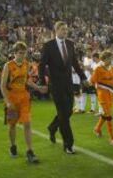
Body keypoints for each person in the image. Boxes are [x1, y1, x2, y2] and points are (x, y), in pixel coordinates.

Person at [39, 21, 88, 154]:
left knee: (68, 112)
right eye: (62, 29)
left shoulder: (70, 44)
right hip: (55, 86)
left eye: (66, 30)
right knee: (63, 115)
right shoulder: (48, 45)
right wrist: (42, 82)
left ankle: (52, 127)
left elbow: (75, 64)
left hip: (68, 84)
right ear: (56, 30)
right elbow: (41, 66)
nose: (65, 32)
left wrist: (83, 78)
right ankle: (68, 144)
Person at [1, 41, 46, 163]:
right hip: (12, 99)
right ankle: (12, 145)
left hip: (24, 98)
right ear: (15, 53)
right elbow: (2, 86)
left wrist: (38, 88)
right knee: (12, 125)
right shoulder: (8, 66)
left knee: (27, 123)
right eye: (20, 53)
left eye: (24, 53)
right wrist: (7, 101)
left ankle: (30, 151)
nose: (22, 55)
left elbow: (27, 81)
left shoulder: (26, 64)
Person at [90, 51, 113, 146]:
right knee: (108, 115)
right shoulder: (98, 69)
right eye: (109, 58)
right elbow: (92, 81)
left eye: (111, 58)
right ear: (104, 59)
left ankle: (97, 128)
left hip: (111, 94)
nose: (111, 60)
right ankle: (112, 138)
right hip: (102, 95)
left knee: (105, 114)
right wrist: (100, 86)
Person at [82, 48, 97, 114]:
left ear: (91, 52)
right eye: (87, 51)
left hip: (91, 79)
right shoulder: (84, 59)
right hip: (85, 78)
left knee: (92, 94)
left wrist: (87, 68)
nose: (88, 53)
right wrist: (85, 67)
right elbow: (84, 68)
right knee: (83, 93)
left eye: (89, 52)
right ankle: (82, 108)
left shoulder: (93, 60)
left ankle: (92, 109)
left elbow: (93, 69)